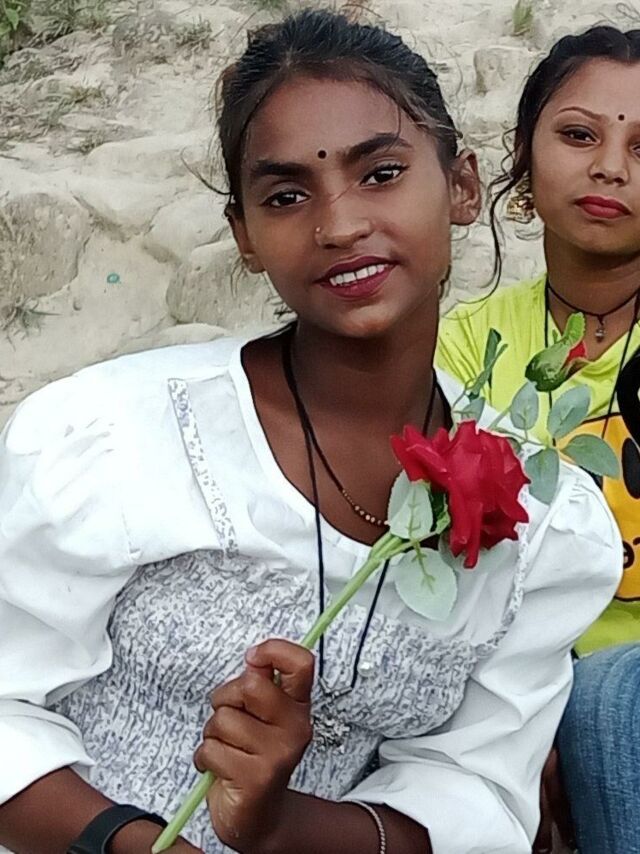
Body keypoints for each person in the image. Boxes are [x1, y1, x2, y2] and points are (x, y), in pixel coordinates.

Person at [0, 11, 621, 854]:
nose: (339, 225)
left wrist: (279, 821)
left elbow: (472, 793)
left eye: (382, 173)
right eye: (286, 196)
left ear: (463, 186)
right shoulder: (118, 440)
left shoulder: (539, 526)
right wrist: (133, 843)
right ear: (245, 237)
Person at [436, 25, 640, 854]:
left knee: (611, 703)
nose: (611, 167)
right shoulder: (464, 348)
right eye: (580, 135)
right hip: (508, 684)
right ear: (523, 156)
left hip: (625, 692)